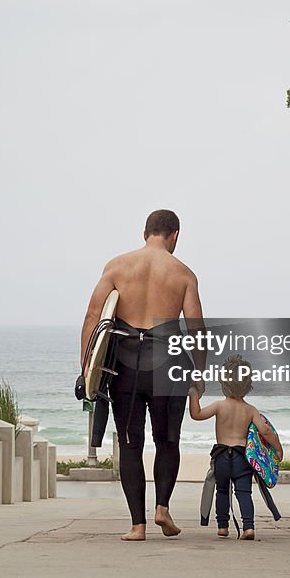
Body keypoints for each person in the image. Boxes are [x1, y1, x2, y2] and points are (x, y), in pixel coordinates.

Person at [80, 209, 206, 541]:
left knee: (130, 443)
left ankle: (138, 525)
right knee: (167, 441)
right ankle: (162, 507)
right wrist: (199, 373)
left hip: (125, 365)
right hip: (169, 362)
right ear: (175, 235)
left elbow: (94, 316)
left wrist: (86, 371)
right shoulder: (184, 274)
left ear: (144, 232)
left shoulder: (117, 266)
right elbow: (196, 329)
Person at [189, 356, 283, 540]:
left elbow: (196, 414)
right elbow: (265, 430)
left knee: (222, 491)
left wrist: (193, 394)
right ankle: (248, 527)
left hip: (222, 455)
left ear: (223, 382)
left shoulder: (219, 406)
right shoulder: (250, 410)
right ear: (249, 385)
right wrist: (277, 448)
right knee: (244, 492)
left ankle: (223, 527)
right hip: (242, 457)